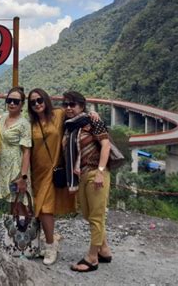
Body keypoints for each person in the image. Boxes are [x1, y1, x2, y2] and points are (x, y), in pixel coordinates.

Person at [61, 91, 112, 273]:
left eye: (72, 104)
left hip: (96, 173)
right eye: (65, 104)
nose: (68, 108)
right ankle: (104, 249)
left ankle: (92, 258)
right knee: (87, 214)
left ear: (81, 106)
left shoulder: (93, 121)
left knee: (96, 216)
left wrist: (100, 172)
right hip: (80, 175)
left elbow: (105, 145)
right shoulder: (68, 126)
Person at [27, 88, 76, 265]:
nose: (37, 104)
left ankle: (50, 246)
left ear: (46, 100)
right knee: (38, 209)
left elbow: (76, 112)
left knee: (46, 208)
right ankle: (49, 238)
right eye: (32, 102)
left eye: (39, 100)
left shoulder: (59, 114)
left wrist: (92, 116)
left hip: (53, 170)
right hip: (37, 172)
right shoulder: (31, 124)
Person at [0, 87, 32, 205]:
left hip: (16, 169)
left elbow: (26, 152)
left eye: (16, 101)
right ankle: (13, 223)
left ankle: (23, 224)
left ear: (22, 104)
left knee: (19, 202)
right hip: (3, 168)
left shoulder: (24, 124)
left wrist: (23, 177)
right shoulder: (4, 117)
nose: (11, 103)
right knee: (11, 202)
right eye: (9, 100)